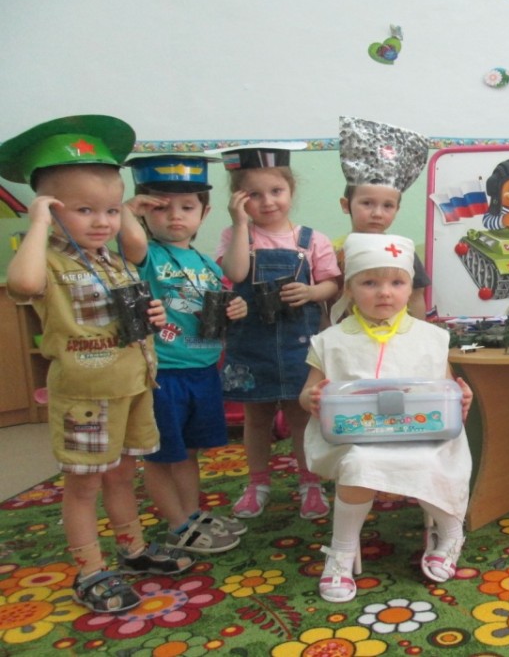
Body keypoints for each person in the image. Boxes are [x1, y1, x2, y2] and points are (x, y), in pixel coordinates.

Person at [1, 116, 195, 612]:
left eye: (110, 210)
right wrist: (38, 222)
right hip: (86, 397)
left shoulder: (112, 259)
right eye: (85, 210)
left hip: (132, 385)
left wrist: (151, 314)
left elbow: (134, 260)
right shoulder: (47, 260)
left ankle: (131, 547)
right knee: (84, 484)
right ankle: (89, 571)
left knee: (122, 474)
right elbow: (22, 285)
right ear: (51, 209)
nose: (102, 221)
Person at [301, 233, 473, 602]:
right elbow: (308, 391)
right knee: (359, 464)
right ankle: (341, 551)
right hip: (357, 436)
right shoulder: (330, 340)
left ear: (411, 287)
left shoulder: (431, 337)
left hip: (424, 434)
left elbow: (445, 388)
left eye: (397, 283)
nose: (384, 293)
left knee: (430, 462)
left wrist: (461, 398)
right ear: (349, 288)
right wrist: (311, 399)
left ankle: (450, 531)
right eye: (369, 283)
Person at [118, 153, 249, 553]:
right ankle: (177, 524)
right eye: (161, 207)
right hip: (165, 374)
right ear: (145, 211)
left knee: (189, 452)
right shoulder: (147, 255)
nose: (175, 215)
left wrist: (236, 309)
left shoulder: (206, 263)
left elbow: (225, 294)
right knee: (161, 456)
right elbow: (131, 241)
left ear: (204, 214)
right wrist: (127, 211)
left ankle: (191, 514)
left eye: (187, 207)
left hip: (203, 369)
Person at [213, 143, 342, 520]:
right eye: (254, 195)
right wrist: (240, 225)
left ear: (291, 190)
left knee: (301, 417)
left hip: (297, 345)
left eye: (276, 191)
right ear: (238, 200)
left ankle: (309, 482)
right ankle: (257, 483)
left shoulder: (312, 239)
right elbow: (236, 273)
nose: (268, 201)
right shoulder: (235, 236)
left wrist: (312, 292)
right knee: (256, 418)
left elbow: (332, 284)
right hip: (250, 344)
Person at [330, 116, 432, 321]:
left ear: (397, 209)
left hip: (394, 333)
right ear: (345, 205)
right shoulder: (334, 251)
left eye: (387, 206)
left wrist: (419, 333)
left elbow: (416, 298)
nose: (377, 213)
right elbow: (329, 299)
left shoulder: (403, 250)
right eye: (367, 203)